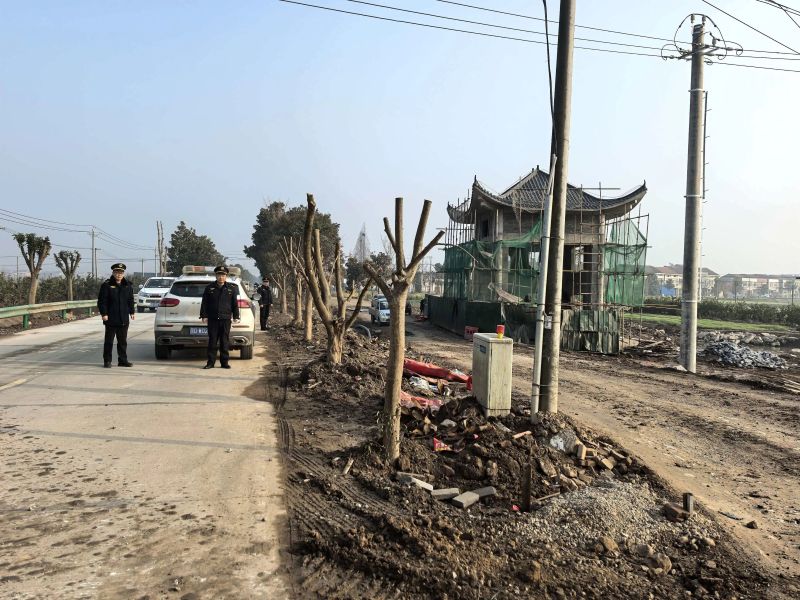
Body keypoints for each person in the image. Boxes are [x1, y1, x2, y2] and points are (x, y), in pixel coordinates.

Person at [200, 265, 240, 369]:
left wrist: (236, 316)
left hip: (225, 319)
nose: (221, 277)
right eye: (219, 275)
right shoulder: (209, 288)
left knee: (224, 341)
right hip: (213, 319)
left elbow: (234, 304)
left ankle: (224, 362)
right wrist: (204, 315)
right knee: (212, 341)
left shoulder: (231, 289)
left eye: (223, 275)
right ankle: (210, 363)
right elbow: (204, 303)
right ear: (216, 276)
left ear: (226, 276)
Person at [97, 263, 135, 368]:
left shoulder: (127, 285)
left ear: (123, 274)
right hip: (111, 318)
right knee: (109, 341)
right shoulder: (107, 285)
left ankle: (122, 360)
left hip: (123, 318)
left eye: (121, 273)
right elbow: (102, 301)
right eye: (117, 272)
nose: (119, 275)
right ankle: (107, 361)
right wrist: (104, 314)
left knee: (122, 342)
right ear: (113, 273)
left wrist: (132, 312)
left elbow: (130, 300)